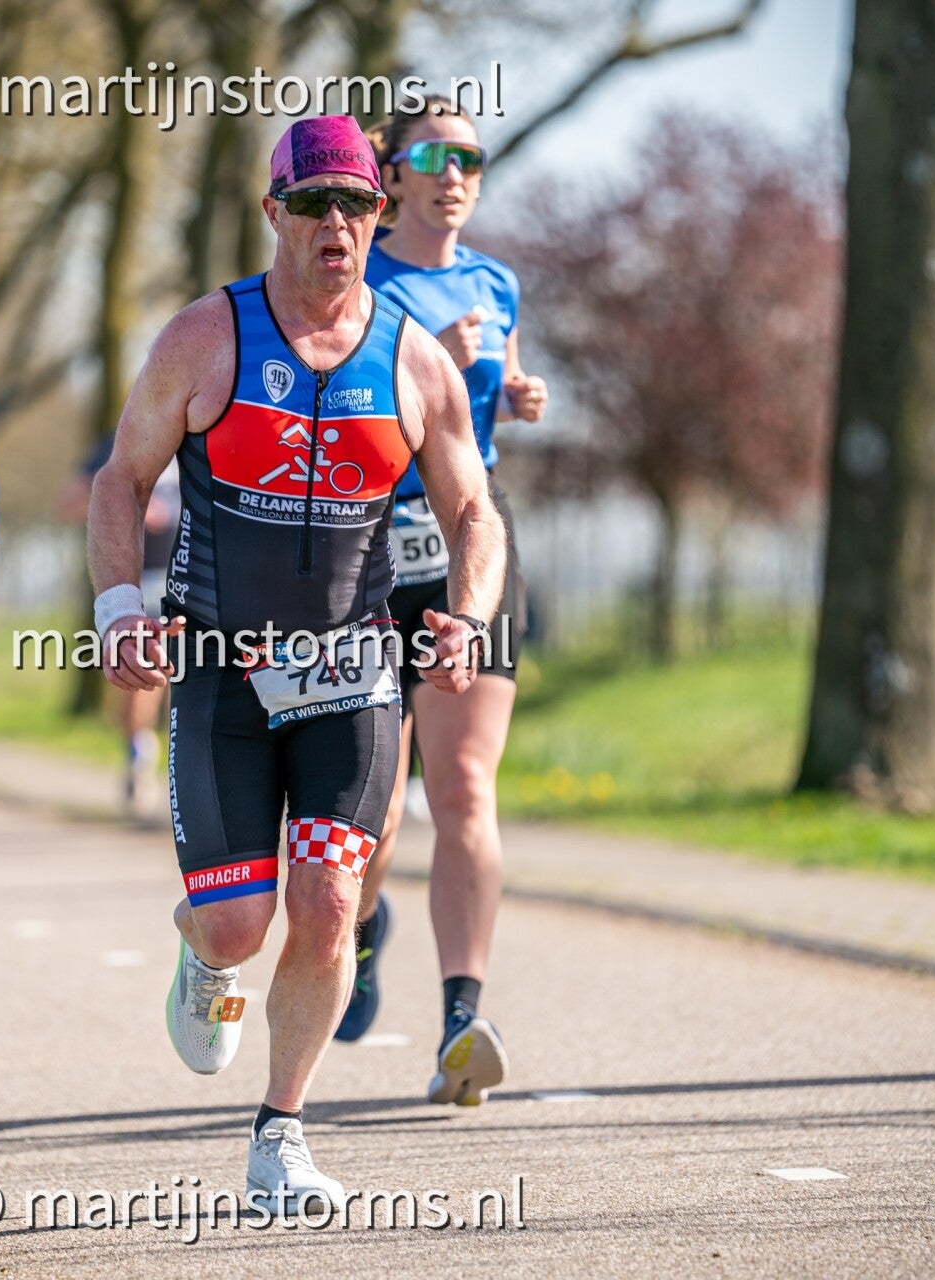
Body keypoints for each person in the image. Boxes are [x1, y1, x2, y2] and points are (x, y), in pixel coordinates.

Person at [87, 116, 504, 1209]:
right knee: (239, 921)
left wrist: (467, 615)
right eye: (313, 201)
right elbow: (120, 480)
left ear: (378, 213)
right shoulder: (205, 337)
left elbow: (475, 508)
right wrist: (121, 608)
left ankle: (281, 1132)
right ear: (274, 211)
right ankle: (204, 947)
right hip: (220, 668)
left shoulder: (410, 359)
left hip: (353, 675)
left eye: (356, 203)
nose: (336, 223)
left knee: (328, 899)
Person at [333, 99, 551, 1106]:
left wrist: (515, 392)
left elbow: (490, 396)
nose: (454, 173)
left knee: (463, 784)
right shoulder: (355, 277)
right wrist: (440, 364)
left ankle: (463, 1020)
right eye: (433, 156)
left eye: (470, 157)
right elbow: (333, 407)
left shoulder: (495, 281)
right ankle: (359, 925)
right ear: (392, 175)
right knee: (374, 804)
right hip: (372, 548)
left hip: (471, 536)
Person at [59, 435, 181, 812]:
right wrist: (129, 510)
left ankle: (185, 783)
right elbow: (71, 503)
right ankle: (138, 760)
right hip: (141, 587)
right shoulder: (120, 440)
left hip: (198, 586)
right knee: (142, 684)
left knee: (194, 688)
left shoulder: (209, 431)